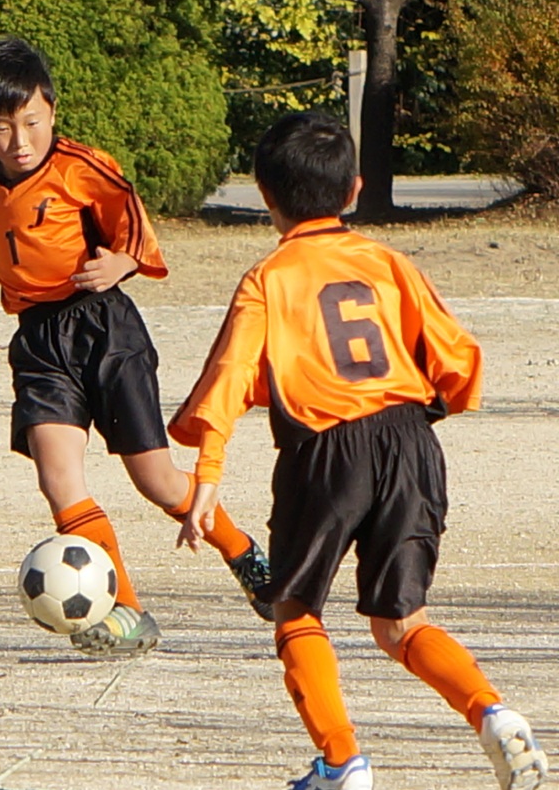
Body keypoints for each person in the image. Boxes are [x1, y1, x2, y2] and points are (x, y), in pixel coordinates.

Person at [170, 111, 548, 790]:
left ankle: (342, 760)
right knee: (400, 623)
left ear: (265, 195)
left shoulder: (268, 278)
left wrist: (208, 474)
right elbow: (458, 357)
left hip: (325, 451)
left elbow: (228, 379)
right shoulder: (389, 262)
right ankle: (491, 712)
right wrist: (429, 409)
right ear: (354, 190)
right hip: (409, 441)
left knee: (294, 609)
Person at [0, 36, 273, 656]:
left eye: (31, 122)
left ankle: (244, 554)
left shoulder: (82, 167)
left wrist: (122, 263)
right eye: (2, 127)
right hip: (38, 341)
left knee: (157, 482)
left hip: (104, 329)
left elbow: (134, 222)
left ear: (51, 110)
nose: (19, 140)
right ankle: (125, 611)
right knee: (58, 481)